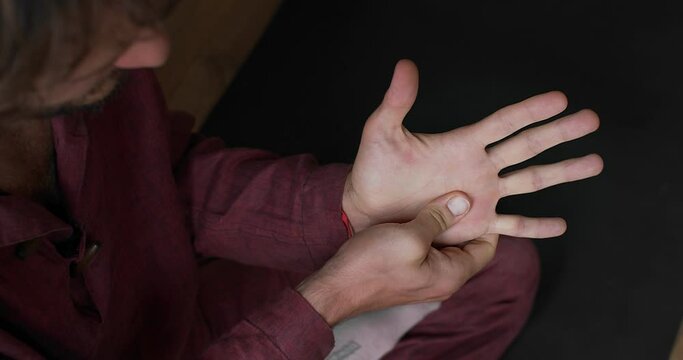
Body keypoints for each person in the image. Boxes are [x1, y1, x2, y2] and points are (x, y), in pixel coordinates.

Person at [0, 1, 603, 359]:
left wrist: (347, 207)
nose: (154, 50)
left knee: (491, 263)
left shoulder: (86, 63)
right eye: (70, 44)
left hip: (179, 323)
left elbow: (163, 181)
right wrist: (334, 298)